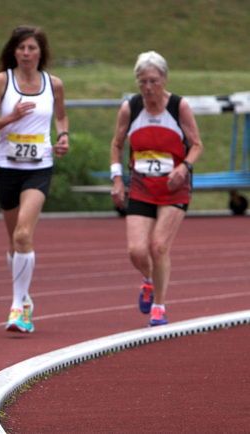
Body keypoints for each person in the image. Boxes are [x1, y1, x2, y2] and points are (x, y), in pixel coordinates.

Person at [0, 25, 69, 333]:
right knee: (14, 239)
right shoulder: (2, 81)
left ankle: (18, 307)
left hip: (39, 168)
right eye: (22, 48)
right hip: (7, 168)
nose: (27, 53)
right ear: (13, 51)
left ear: (41, 52)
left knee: (22, 235)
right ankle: (24, 297)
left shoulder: (54, 84)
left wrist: (63, 136)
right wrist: (11, 118)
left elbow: (61, 116)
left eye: (32, 48)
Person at [109, 51, 203, 327]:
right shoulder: (131, 108)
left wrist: (183, 167)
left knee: (159, 246)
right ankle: (149, 279)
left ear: (164, 79)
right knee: (136, 251)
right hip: (141, 185)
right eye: (142, 81)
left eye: (153, 81)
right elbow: (117, 144)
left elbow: (197, 145)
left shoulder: (178, 107)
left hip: (174, 187)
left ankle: (159, 307)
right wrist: (117, 180)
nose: (148, 87)